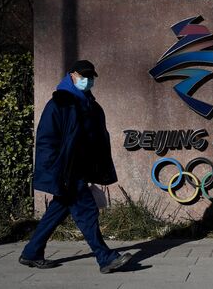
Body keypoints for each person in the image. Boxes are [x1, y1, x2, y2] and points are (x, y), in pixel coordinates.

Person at [19, 60, 131, 274]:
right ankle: (105, 257)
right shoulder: (59, 103)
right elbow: (46, 140)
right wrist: (54, 170)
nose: (87, 80)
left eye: (90, 77)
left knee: (58, 209)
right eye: (82, 76)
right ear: (71, 75)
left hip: (81, 168)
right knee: (87, 211)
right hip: (66, 170)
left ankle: (31, 252)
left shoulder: (90, 104)